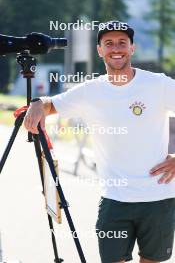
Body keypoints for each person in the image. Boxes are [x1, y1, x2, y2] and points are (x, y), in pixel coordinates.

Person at [24, 21, 175, 263]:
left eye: (122, 43)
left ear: (132, 48)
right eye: (109, 43)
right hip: (114, 200)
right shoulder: (90, 90)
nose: (116, 48)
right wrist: (37, 104)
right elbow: (52, 104)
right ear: (100, 50)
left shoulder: (158, 84)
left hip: (158, 199)